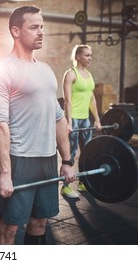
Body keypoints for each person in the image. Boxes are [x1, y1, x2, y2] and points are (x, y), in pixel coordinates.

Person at [0, 5, 75, 245]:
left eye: (42, 26)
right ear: (16, 31)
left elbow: (58, 117)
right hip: (20, 160)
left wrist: (66, 161)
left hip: (47, 159)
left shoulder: (45, 70)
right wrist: (5, 173)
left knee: (39, 223)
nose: (41, 32)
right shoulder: (2, 70)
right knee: (10, 229)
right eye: (34, 27)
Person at [60, 44, 102, 198]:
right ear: (78, 56)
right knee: (70, 153)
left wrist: (97, 119)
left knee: (88, 151)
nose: (90, 58)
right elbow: (67, 100)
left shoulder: (89, 75)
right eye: (87, 55)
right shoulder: (71, 74)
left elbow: (92, 99)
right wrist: (69, 122)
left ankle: (83, 182)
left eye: (90, 55)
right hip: (74, 118)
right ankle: (65, 186)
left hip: (85, 119)